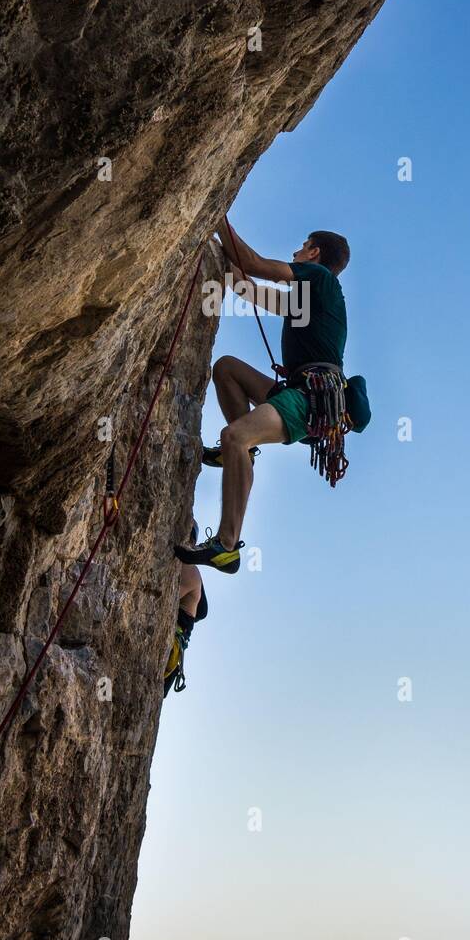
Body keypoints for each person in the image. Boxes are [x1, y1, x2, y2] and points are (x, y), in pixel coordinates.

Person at [174, 222, 350, 574]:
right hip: (304, 394)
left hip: (309, 399)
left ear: (314, 254)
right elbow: (248, 287)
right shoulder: (309, 299)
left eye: (303, 246)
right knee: (227, 370)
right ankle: (244, 458)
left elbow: (253, 263)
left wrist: (218, 212)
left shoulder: (318, 278)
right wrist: (227, 261)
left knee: (233, 436)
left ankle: (226, 547)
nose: (296, 252)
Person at [164, 522, 207, 697]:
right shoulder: (192, 572)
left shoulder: (189, 571)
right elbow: (203, 612)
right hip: (175, 649)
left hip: (171, 647)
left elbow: (163, 597)